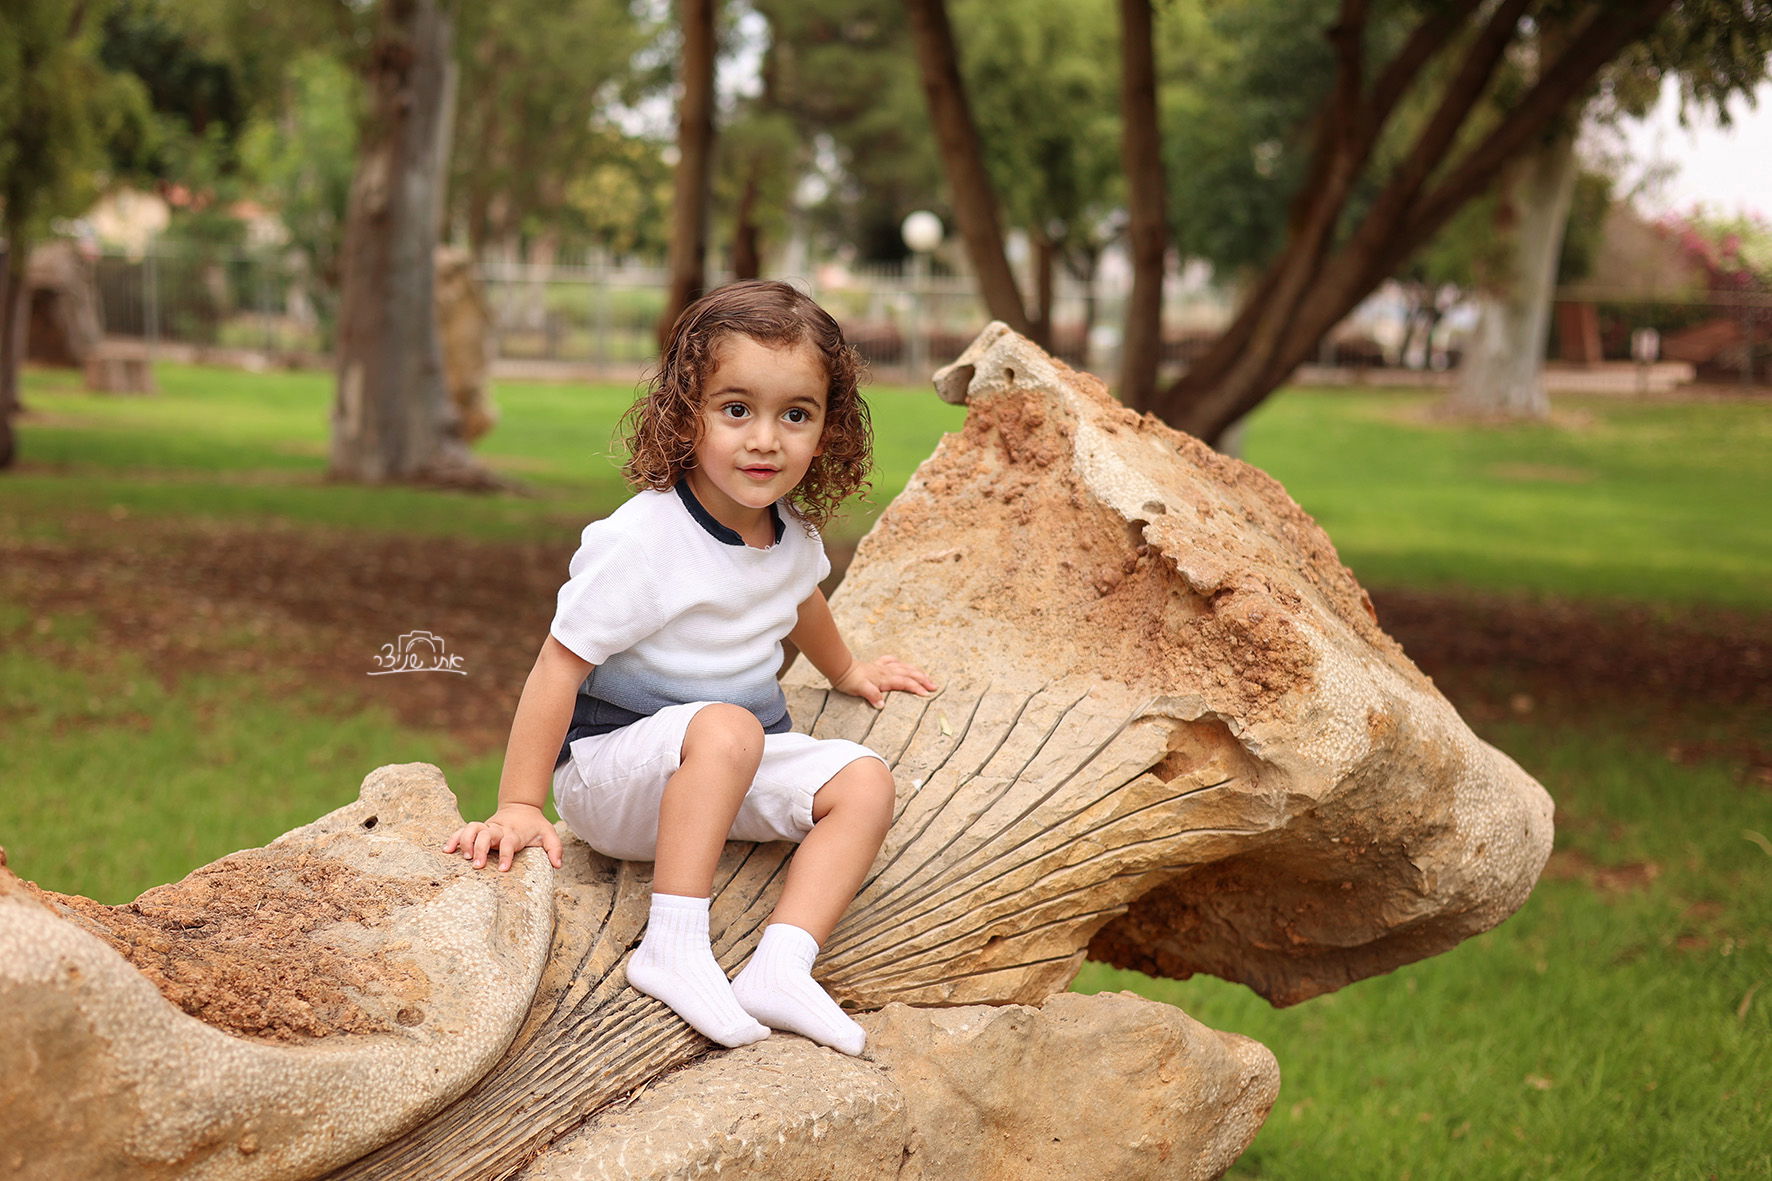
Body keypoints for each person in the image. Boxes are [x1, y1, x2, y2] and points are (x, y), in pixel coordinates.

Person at [444, 279, 935, 1056]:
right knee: (729, 728)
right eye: (736, 409)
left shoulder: (793, 534)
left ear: (827, 430)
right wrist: (519, 803)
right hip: (614, 774)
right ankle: (671, 945)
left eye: (795, 414)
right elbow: (555, 667)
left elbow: (800, 599)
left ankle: (782, 964)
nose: (765, 439)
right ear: (685, 413)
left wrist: (847, 671)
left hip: (726, 766)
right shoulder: (643, 540)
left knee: (866, 781)